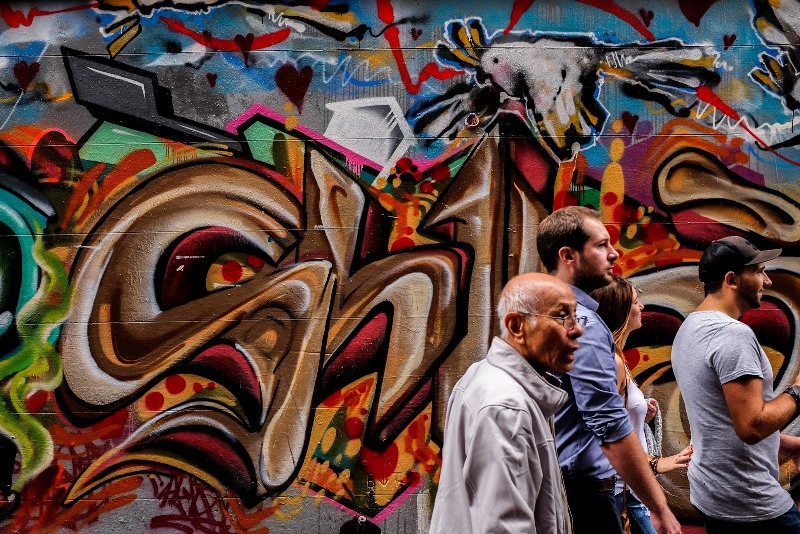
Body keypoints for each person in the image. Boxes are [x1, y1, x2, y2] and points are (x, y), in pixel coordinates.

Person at [536, 206, 680, 534]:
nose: (614, 253)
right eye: (601, 245)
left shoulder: (542, 313)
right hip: (587, 494)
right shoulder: (583, 325)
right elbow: (610, 427)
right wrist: (658, 507)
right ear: (568, 256)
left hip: (561, 485)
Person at [429, 272, 584, 533]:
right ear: (516, 326)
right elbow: (504, 526)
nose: (577, 329)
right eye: (561, 317)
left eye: (575, 316)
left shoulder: (485, 376)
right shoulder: (506, 407)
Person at [672, 236, 800, 533]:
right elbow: (751, 427)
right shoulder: (733, 335)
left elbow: (719, 417)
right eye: (759, 272)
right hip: (750, 502)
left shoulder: (690, 327)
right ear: (731, 279)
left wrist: (785, 443)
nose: (767, 281)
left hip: (712, 493)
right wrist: (797, 392)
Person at [591, 276, 693, 534]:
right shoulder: (612, 362)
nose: (642, 306)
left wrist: (639, 415)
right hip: (621, 492)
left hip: (628, 491)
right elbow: (607, 436)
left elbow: (617, 423)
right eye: (636, 302)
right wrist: (658, 463)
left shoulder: (618, 358)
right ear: (621, 312)